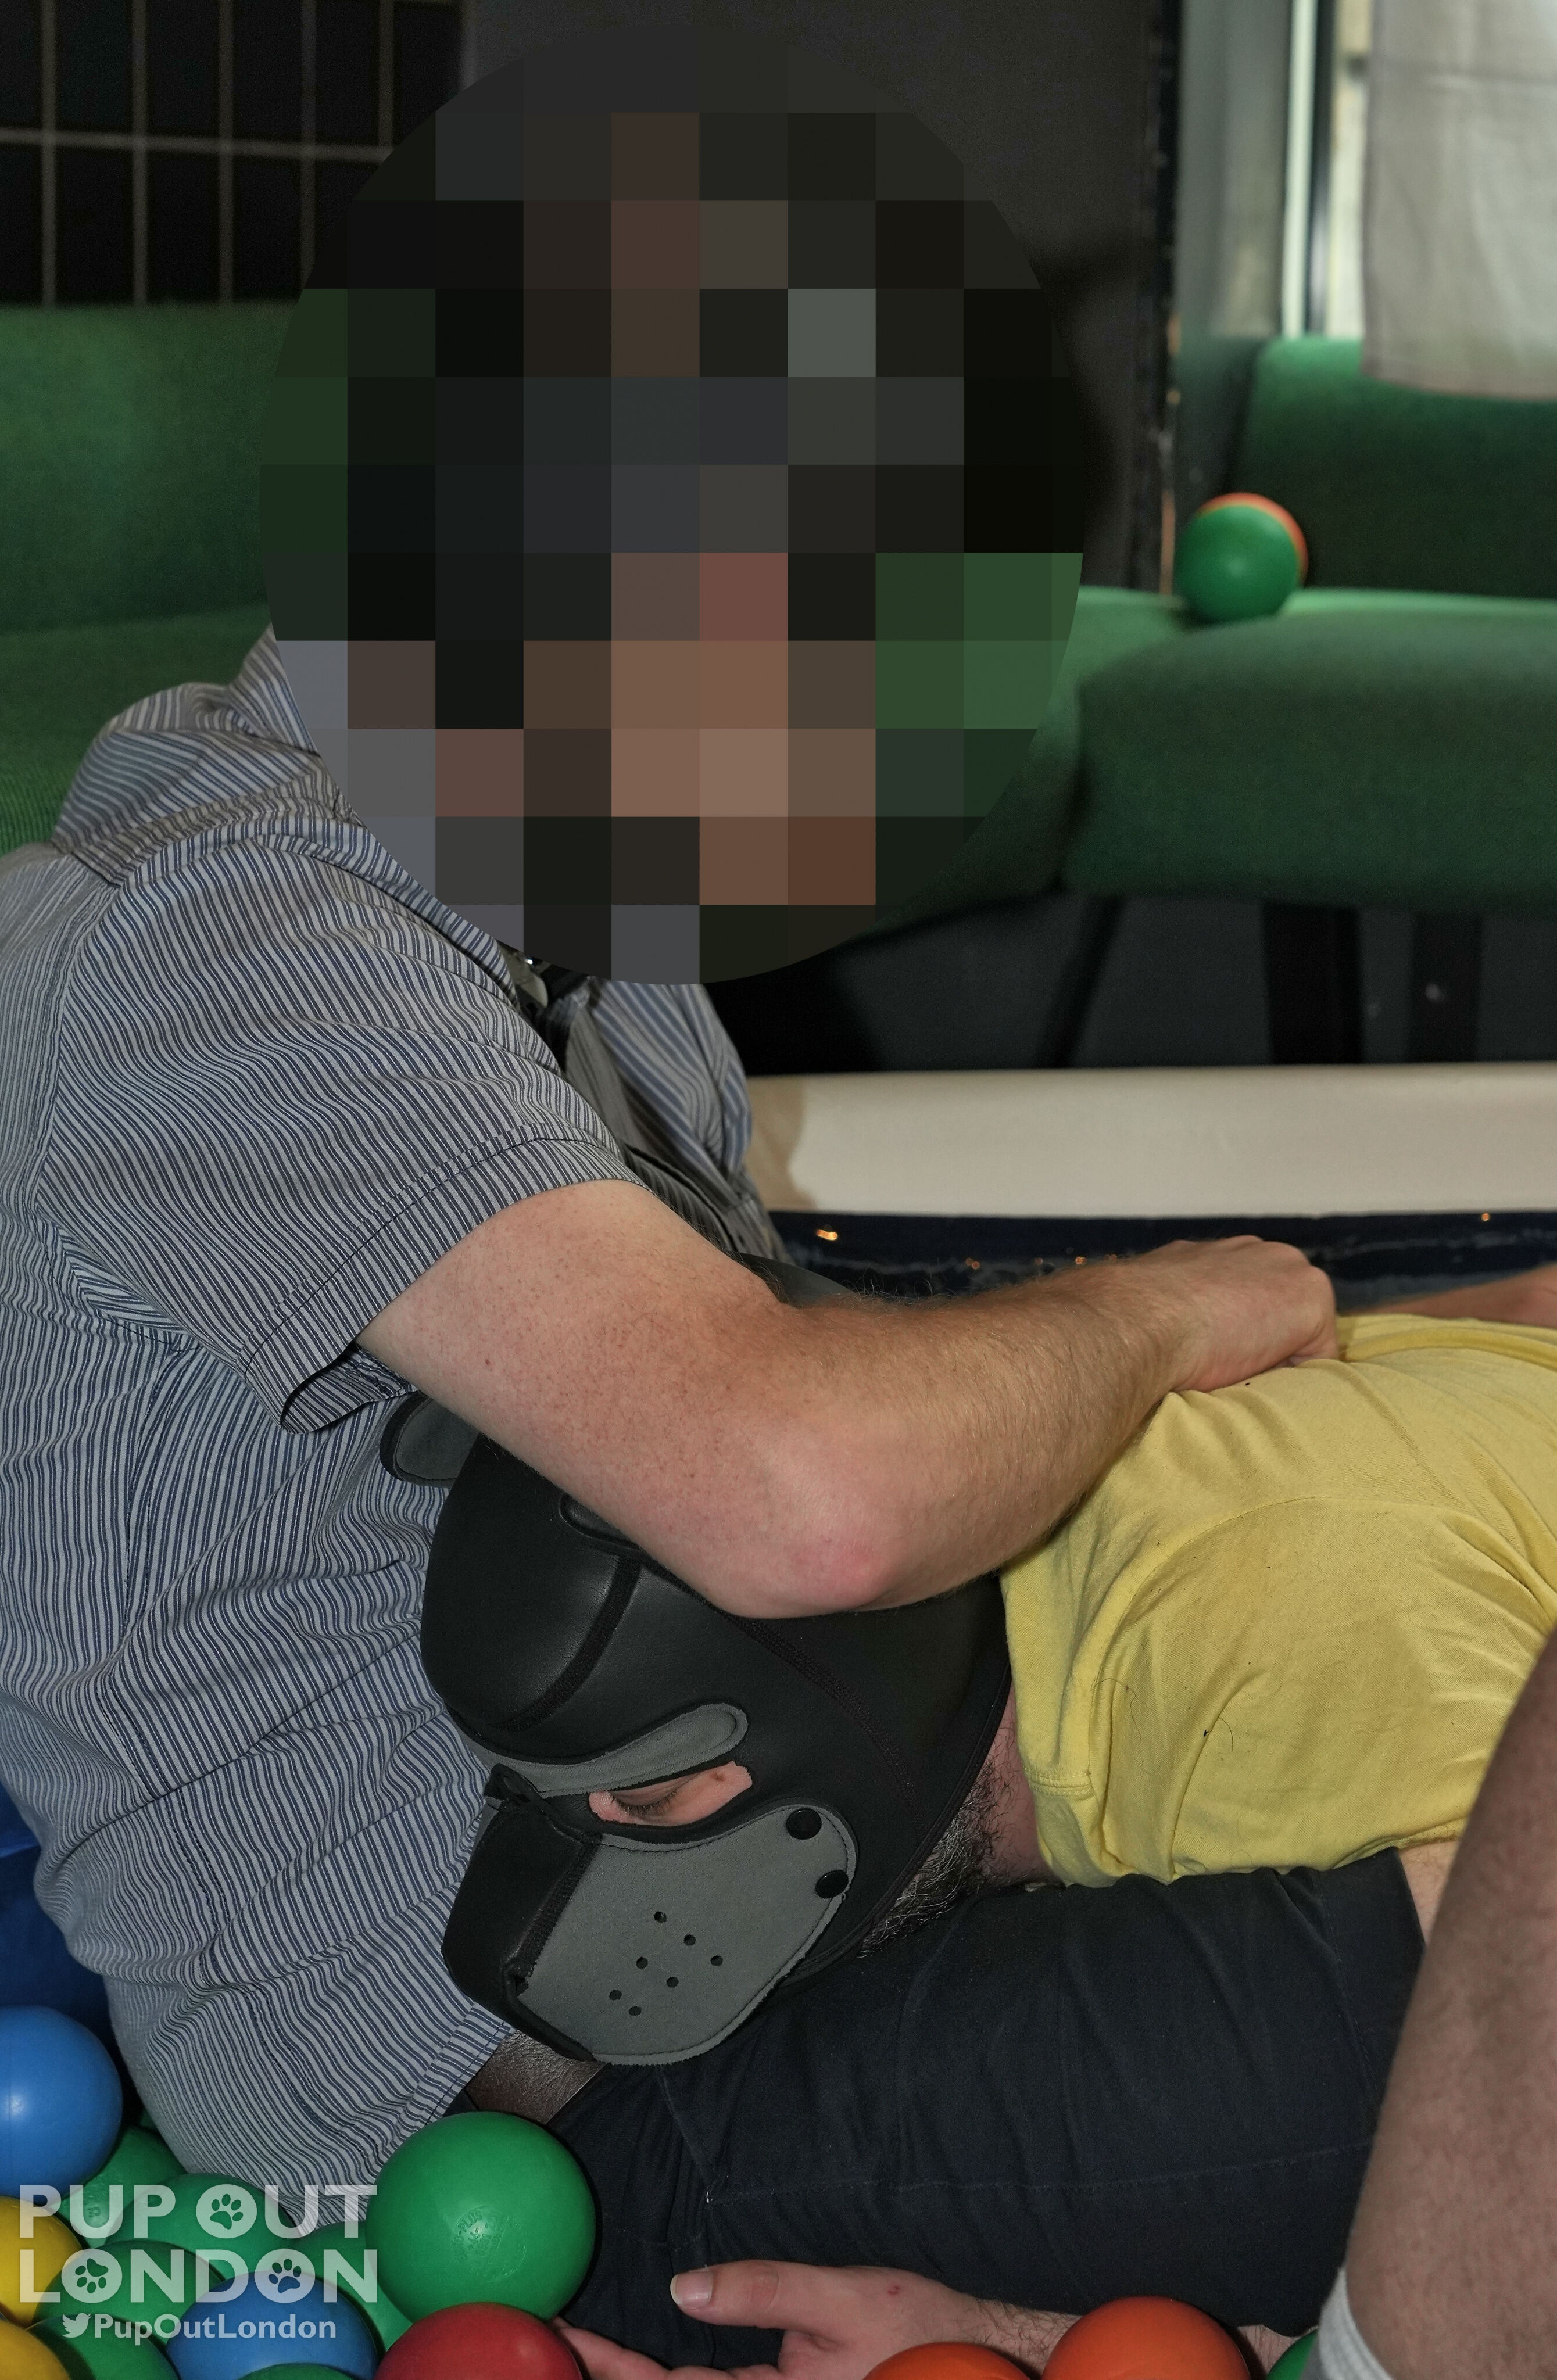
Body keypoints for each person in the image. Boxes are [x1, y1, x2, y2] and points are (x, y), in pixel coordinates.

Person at [0, 627, 1437, 2356]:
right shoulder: (209, 940)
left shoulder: (565, 915)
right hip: (545, 2133)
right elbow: (807, 1492)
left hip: (824, 1892)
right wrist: (1166, 1309)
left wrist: (1427, 1349)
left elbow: (828, 1412)